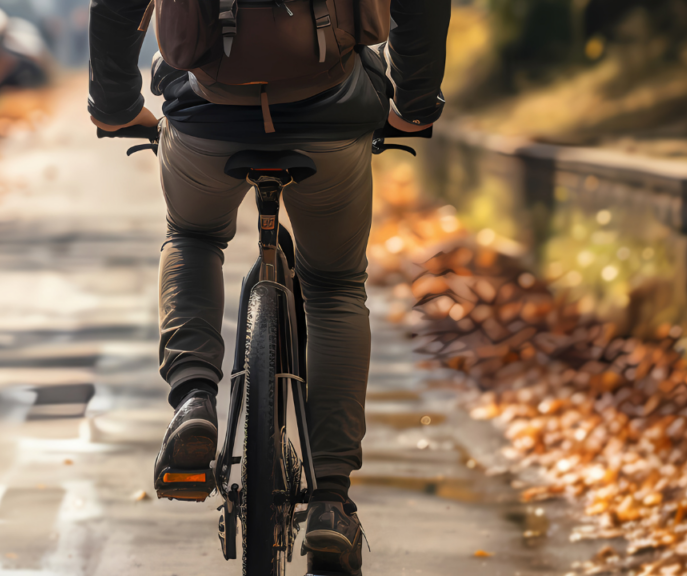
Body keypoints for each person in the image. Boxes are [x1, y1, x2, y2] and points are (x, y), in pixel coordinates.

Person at [88, 2, 449, 573]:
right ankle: (331, 502)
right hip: (329, 115)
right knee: (333, 286)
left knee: (192, 236)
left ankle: (194, 401)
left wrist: (114, 106)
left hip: (206, 118)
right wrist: (415, 104)